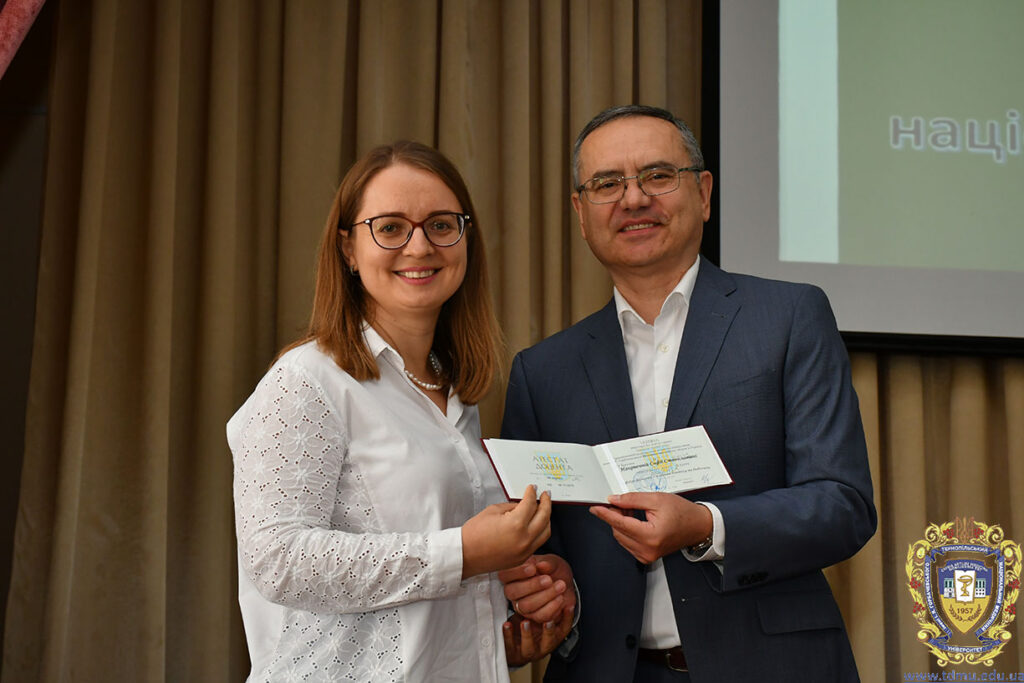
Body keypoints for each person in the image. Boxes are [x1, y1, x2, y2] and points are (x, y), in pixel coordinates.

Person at [498, 105, 877, 682]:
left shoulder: (788, 317)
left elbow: (842, 504)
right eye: (607, 184)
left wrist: (705, 525)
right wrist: (550, 587)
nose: (633, 199)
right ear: (581, 213)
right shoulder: (543, 371)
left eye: (657, 175)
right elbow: (536, 548)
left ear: (703, 194)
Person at [228, 141, 566, 682]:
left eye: (441, 225)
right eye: (390, 228)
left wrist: (506, 621)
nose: (419, 246)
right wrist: (463, 553)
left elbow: (416, 607)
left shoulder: (454, 391)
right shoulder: (306, 381)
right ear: (348, 249)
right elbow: (279, 561)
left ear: (466, 238)